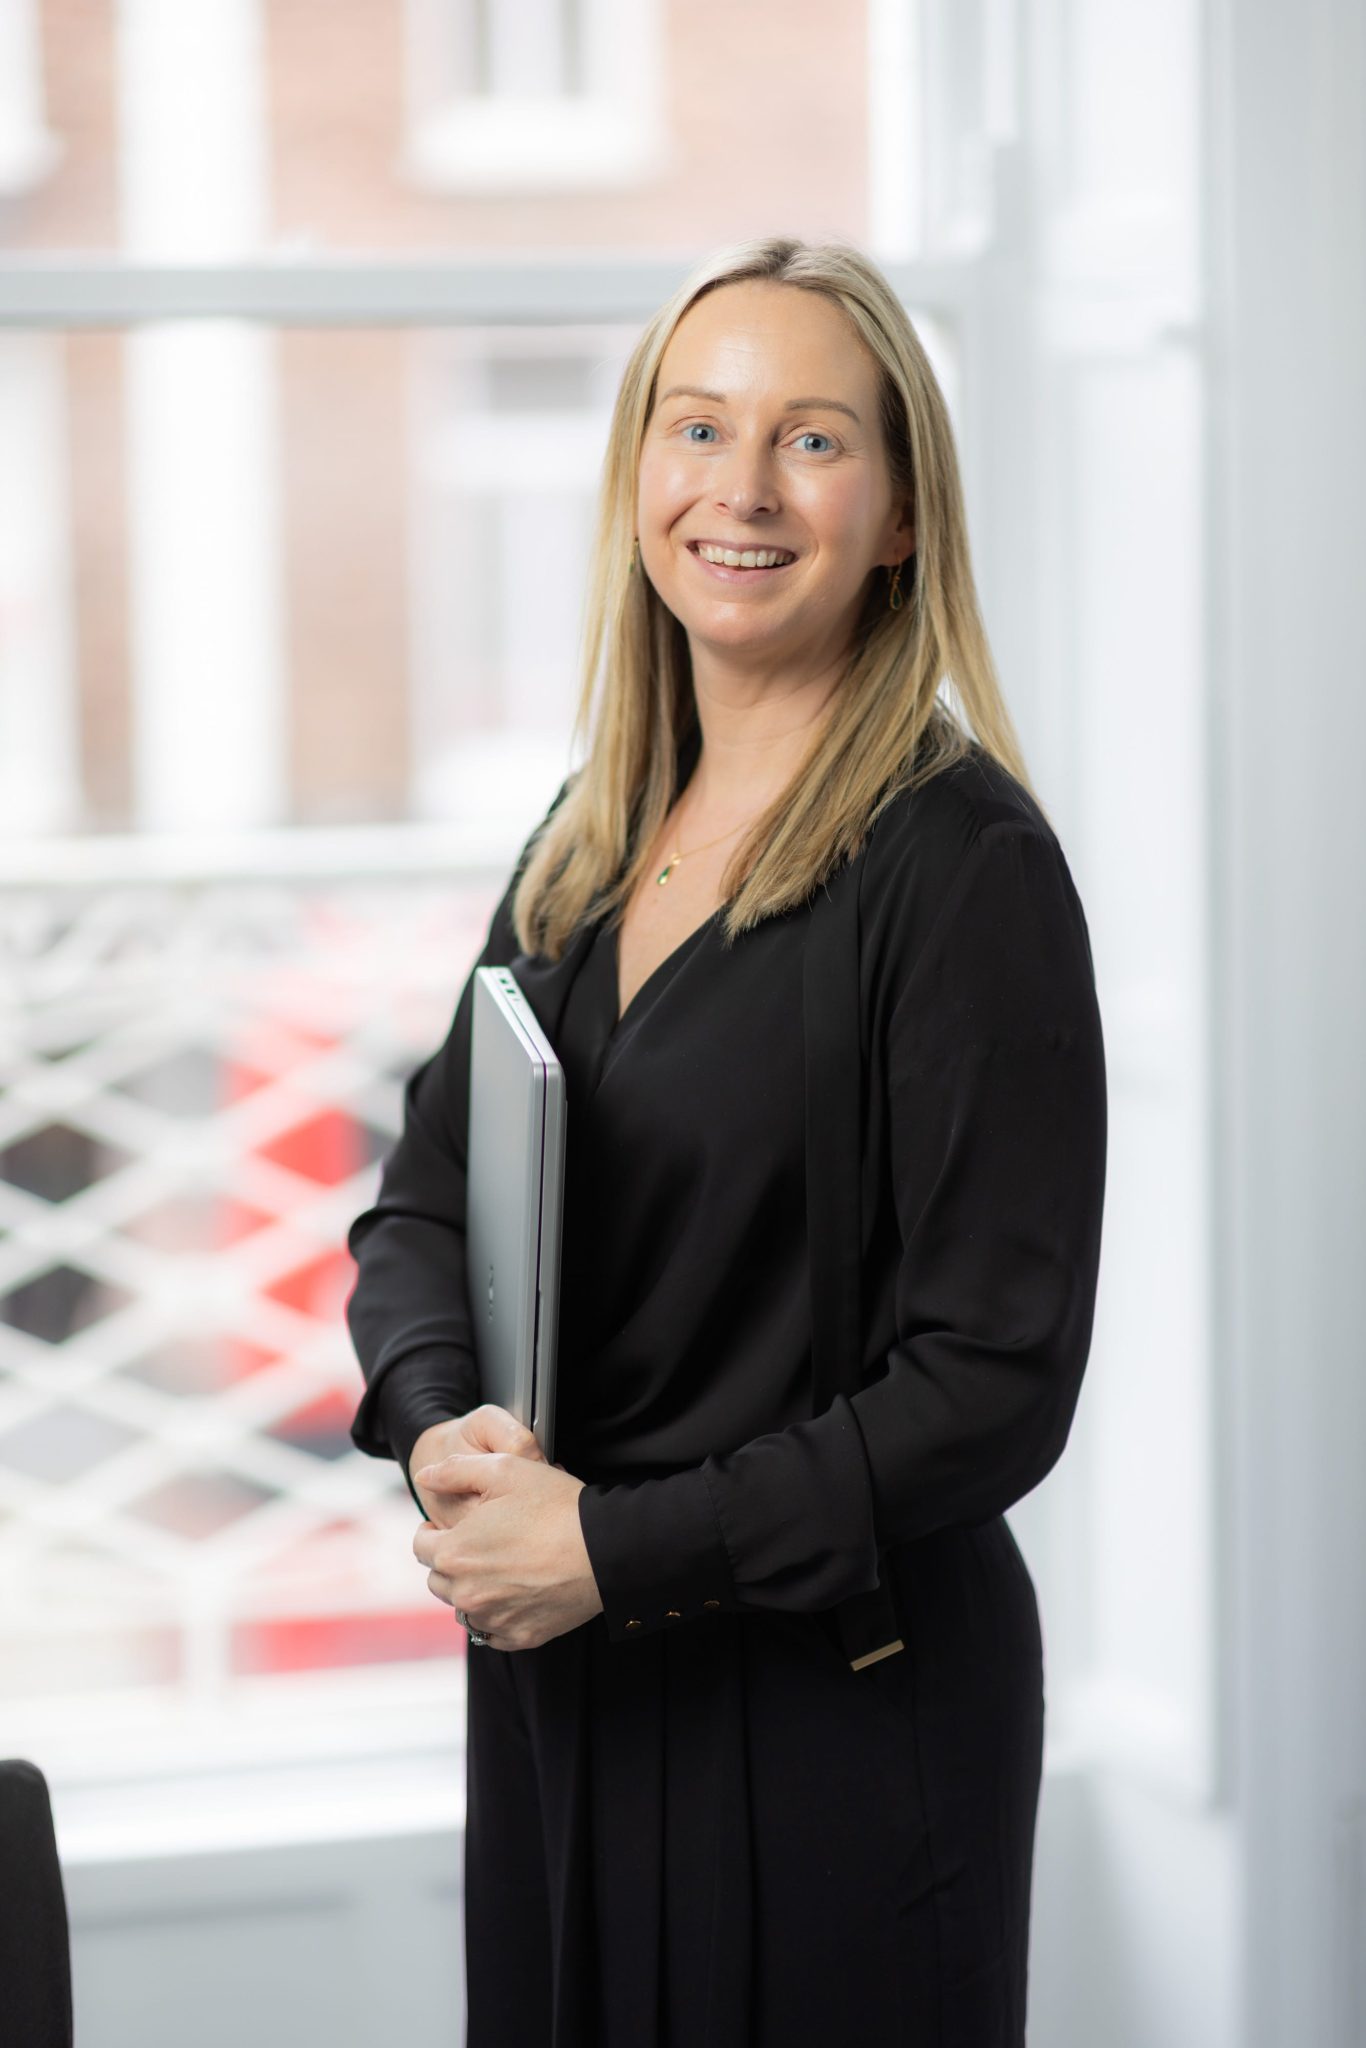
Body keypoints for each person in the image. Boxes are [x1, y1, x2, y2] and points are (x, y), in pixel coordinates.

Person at [344, 233, 1108, 2047]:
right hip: (566, 1685)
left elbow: (991, 1379)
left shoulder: (963, 870)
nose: (741, 489)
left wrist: (616, 1548)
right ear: (633, 482)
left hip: (838, 1715)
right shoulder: (591, 828)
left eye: (813, 440)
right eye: (696, 429)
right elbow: (423, 1198)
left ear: (902, 514)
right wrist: (441, 1417)